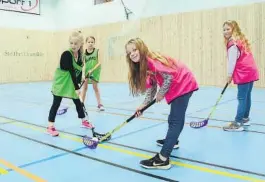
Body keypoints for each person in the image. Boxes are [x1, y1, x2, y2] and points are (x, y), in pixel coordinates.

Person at [125, 38, 198, 169]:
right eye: (130, 52)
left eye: (135, 49)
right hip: (178, 85)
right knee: (173, 119)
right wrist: (143, 106)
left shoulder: (151, 60)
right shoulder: (144, 65)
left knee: (176, 120)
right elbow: (151, 87)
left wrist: (161, 93)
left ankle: (163, 159)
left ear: (141, 48)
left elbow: (169, 77)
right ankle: (172, 141)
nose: (133, 54)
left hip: (183, 83)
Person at [47, 31, 94, 136]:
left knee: (78, 102)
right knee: (56, 103)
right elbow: (72, 71)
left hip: (71, 83)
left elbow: (77, 72)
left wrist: (80, 79)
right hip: (61, 83)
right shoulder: (67, 54)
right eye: (71, 43)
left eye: (76, 43)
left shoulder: (80, 56)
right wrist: (77, 87)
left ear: (81, 44)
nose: (73, 46)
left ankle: (84, 121)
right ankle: (50, 127)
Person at [222, 20, 259, 132]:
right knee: (247, 96)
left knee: (242, 98)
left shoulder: (232, 43)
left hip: (244, 72)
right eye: (224, 29)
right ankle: (245, 118)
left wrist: (229, 75)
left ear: (234, 29)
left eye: (228, 29)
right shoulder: (240, 40)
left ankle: (238, 122)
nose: (225, 31)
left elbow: (232, 61)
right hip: (251, 70)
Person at [81, 36, 104, 111]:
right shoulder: (84, 53)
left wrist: (92, 70)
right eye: (89, 42)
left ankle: (100, 104)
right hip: (87, 72)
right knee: (84, 88)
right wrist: (83, 74)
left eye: (92, 42)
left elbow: (99, 63)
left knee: (95, 88)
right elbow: (83, 64)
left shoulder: (97, 51)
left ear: (94, 43)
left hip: (95, 71)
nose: (90, 43)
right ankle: (81, 104)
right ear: (86, 43)